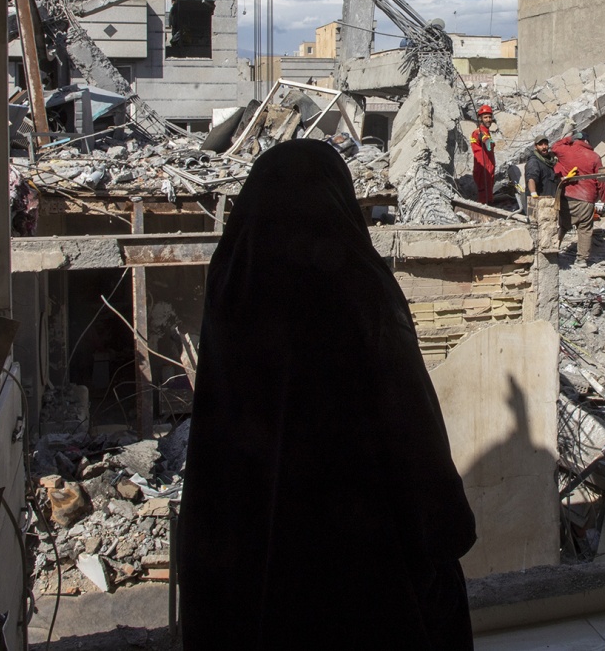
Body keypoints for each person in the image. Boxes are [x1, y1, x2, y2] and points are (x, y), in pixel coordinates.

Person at [179, 140, 476, 649]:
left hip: (247, 554)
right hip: (358, 554)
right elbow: (410, 419)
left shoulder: (233, 280)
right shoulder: (359, 286)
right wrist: (443, 521)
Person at [551, 131, 605, 264]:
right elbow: (601, 180)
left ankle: (553, 252)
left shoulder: (565, 151)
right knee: (585, 230)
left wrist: (568, 138)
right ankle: (582, 260)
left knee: (563, 226)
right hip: (586, 199)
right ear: (587, 142)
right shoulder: (595, 157)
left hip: (567, 196)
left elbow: (554, 146)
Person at [524, 137, 561, 253]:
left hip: (549, 202)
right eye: (541, 145)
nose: (544, 147)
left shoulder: (548, 161)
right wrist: (534, 196)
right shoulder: (534, 162)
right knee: (540, 232)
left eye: (546, 144)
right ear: (536, 147)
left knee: (549, 231)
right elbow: (531, 179)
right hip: (540, 203)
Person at [470, 104, 497, 204]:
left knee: (488, 196)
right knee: (483, 198)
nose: (488, 119)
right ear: (480, 118)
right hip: (482, 170)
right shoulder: (478, 132)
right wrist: (487, 141)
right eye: (485, 117)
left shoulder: (487, 132)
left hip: (489, 170)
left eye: (490, 117)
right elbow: (482, 137)